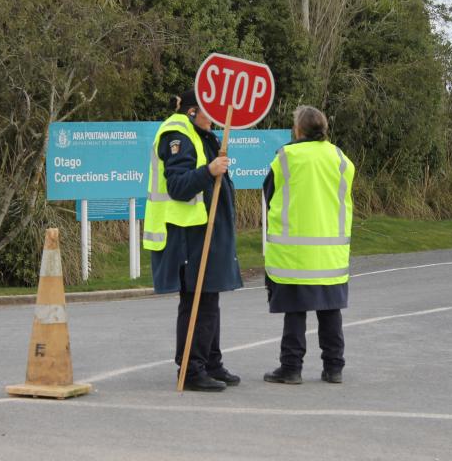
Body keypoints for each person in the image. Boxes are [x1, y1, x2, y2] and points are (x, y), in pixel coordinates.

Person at [143, 89, 243, 392]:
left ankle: (211, 362)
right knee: (197, 300)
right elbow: (177, 186)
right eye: (208, 112)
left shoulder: (198, 134)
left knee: (209, 297)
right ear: (191, 111)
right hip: (187, 232)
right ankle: (190, 369)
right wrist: (209, 170)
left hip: (201, 230)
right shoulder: (178, 134)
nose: (213, 119)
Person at [262, 105, 355, 384]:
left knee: (295, 312)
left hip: (295, 252)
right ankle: (334, 368)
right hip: (330, 252)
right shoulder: (340, 159)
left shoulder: (286, 158)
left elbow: (269, 195)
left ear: (298, 130)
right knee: (330, 312)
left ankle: (291, 368)